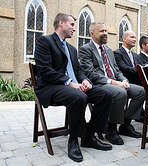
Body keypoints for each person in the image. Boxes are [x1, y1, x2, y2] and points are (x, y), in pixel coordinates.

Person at [34, 13, 112, 163]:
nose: (74, 29)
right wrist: (70, 82)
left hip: (73, 86)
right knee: (79, 97)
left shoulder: (71, 48)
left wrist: (85, 81)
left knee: (105, 94)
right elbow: (45, 70)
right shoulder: (45, 41)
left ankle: (89, 137)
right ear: (61, 23)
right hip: (52, 86)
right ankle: (73, 140)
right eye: (72, 25)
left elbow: (79, 71)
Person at [79, 22, 145, 146]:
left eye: (106, 31)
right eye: (101, 31)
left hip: (115, 81)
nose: (105, 33)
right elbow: (90, 73)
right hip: (100, 83)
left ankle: (125, 124)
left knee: (140, 91)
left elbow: (116, 70)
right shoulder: (85, 49)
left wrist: (124, 80)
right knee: (120, 93)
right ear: (92, 33)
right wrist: (114, 82)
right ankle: (111, 128)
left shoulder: (109, 50)